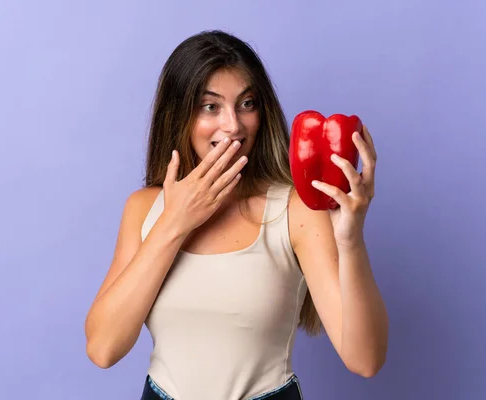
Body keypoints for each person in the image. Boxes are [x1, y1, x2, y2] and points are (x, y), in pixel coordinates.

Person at [84, 30, 388, 400]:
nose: (233, 125)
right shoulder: (144, 209)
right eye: (210, 106)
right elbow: (103, 349)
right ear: (177, 115)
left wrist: (350, 239)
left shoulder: (295, 210)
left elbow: (365, 360)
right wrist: (174, 224)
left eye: (247, 104)